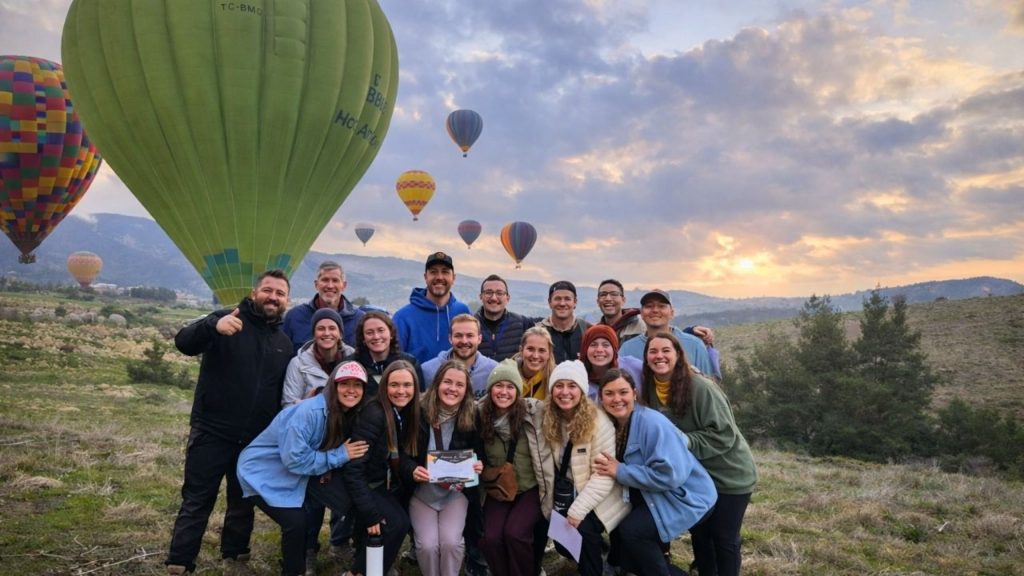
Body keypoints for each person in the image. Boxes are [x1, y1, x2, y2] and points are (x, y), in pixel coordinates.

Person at [166, 270, 294, 575]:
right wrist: (212, 326)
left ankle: (235, 555)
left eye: (280, 293)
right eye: (267, 290)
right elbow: (184, 342)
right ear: (254, 293)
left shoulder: (283, 343)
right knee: (198, 499)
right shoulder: (227, 320)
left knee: (242, 501)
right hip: (212, 431)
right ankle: (180, 562)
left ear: (287, 300)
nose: (273, 297)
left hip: (252, 440)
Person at [236, 361, 371, 576]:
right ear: (333, 386)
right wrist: (338, 456)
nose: (352, 390)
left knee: (359, 506)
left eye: (358, 385)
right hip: (264, 472)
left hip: (304, 469)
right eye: (345, 383)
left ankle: (367, 568)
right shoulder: (307, 413)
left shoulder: (347, 413)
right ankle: (295, 570)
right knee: (296, 523)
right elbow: (295, 460)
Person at [642, 333, 758, 576]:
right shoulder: (650, 389)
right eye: (653, 351)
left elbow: (724, 434)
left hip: (729, 475)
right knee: (700, 534)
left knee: (724, 538)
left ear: (678, 355)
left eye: (666, 350)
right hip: (695, 477)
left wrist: (682, 441)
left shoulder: (701, 387)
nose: (659, 356)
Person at [594, 369, 717, 576]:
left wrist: (621, 471)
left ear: (634, 393)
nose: (617, 399)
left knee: (633, 532)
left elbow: (671, 476)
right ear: (601, 397)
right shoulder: (613, 424)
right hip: (656, 493)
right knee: (627, 549)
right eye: (609, 393)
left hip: (685, 497)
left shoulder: (652, 424)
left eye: (623, 392)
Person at [539, 360, 628, 576]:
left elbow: (603, 476)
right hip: (566, 493)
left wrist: (577, 511)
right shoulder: (549, 417)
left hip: (598, 497)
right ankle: (597, 556)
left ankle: (595, 569)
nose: (565, 392)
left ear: (582, 390)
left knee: (582, 532)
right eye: (559, 386)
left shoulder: (599, 422)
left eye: (572, 386)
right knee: (562, 544)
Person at [400, 360, 484, 576]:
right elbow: (401, 454)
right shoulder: (416, 412)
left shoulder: (472, 415)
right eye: (447, 382)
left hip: (455, 494)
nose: (452, 389)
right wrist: (411, 470)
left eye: (459, 385)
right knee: (427, 546)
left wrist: (477, 464)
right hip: (422, 494)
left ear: (466, 390)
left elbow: (479, 453)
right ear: (437, 383)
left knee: (451, 543)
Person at [341, 361, 421, 576]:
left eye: (407, 385)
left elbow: (397, 454)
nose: (401, 391)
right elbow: (354, 469)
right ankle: (357, 573)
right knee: (396, 523)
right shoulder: (375, 414)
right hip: (363, 483)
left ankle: (376, 568)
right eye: (394, 385)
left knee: (399, 521)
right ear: (384, 386)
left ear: (415, 387)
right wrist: (370, 513)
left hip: (379, 480)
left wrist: (411, 470)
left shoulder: (403, 413)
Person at [477, 359, 548, 576]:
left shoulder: (533, 413)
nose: (504, 392)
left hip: (530, 487)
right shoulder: (479, 414)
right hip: (499, 487)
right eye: (499, 386)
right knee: (490, 537)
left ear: (518, 391)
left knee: (515, 533)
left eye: (510, 387)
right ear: (490, 389)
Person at [393, 252, 471, 364]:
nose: (439, 277)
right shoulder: (403, 317)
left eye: (445, 272)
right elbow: (395, 362)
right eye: (433, 272)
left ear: (453, 278)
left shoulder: (463, 312)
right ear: (425, 277)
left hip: (457, 381)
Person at [619, 290, 715, 377]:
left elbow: (709, 384)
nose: (655, 310)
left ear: (672, 313)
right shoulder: (627, 349)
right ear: (642, 314)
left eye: (661, 306)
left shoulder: (695, 345)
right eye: (649, 306)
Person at [282, 261, 365, 352]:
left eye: (335, 280)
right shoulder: (294, 317)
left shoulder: (359, 320)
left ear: (344, 286)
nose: (330, 286)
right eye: (325, 280)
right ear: (316, 284)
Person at [281, 308, 356, 406]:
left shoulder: (354, 360)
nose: (327, 333)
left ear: (340, 334)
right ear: (313, 334)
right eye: (321, 329)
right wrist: (311, 403)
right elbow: (289, 405)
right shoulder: (298, 364)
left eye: (332, 328)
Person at [422, 314, 499, 398]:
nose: (464, 341)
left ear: (479, 339)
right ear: (450, 338)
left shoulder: (493, 370)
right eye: (458, 336)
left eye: (470, 336)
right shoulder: (428, 370)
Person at [351, 311, 424, 397]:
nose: (376, 337)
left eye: (381, 330)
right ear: (363, 338)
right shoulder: (352, 365)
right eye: (369, 333)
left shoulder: (410, 363)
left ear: (391, 334)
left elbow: (419, 398)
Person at [475, 274, 537, 361]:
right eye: (488, 292)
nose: (493, 298)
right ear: (481, 297)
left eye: (499, 293)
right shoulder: (470, 325)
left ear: (507, 298)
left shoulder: (523, 324)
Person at [579, 324, 643, 401]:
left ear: (614, 349)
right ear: (585, 349)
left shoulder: (633, 367)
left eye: (606, 345)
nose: (599, 350)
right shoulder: (578, 376)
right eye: (593, 345)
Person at [539, 280, 592, 363]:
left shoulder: (587, 330)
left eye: (567, 299)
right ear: (549, 302)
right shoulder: (539, 331)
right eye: (557, 299)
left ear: (575, 302)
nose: (562, 303)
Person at [595, 279, 645, 344]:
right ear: (598, 302)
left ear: (623, 300)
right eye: (603, 294)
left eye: (614, 294)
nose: (608, 298)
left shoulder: (641, 326)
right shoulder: (596, 332)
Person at [514, 327, 556, 401]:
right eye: (530, 349)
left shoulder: (556, 378)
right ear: (521, 350)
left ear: (549, 354)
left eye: (542, 350)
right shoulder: (507, 374)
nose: (535, 356)